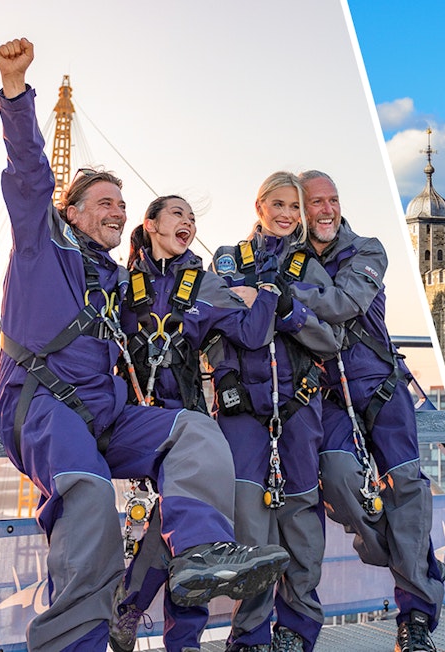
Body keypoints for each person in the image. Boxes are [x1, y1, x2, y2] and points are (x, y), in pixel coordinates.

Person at [0, 38, 287, 651]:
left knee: (194, 433)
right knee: (89, 501)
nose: (116, 211)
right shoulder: (42, 245)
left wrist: (253, 295)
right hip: (44, 406)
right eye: (105, 202)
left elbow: (220, 320)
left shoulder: (117, 280)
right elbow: (29, 174)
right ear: (70, 212)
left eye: (122, 206)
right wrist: (16, 92)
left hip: (106, 414)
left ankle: (202, 553)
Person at [109, 195, 284, 652]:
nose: (188, 221)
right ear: (150, 224)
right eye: (177, 214)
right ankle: (140, 614)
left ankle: (149, 620)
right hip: (134, 418)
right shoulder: (120, 282)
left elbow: (252, 334)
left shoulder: (205, 284)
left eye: (192, 217)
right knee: (186, 526)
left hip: (185, 419)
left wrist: (266, 291)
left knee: (183, 526)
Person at [290, 170, 445, 652]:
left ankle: (415, 618)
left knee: (407, 491)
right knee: (338, 482)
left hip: (380, 386)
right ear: (299, 210)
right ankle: (412, 558)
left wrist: (283, 295)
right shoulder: (286, 257)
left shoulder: (368, 250)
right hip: (329, 396)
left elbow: (345, 303)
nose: (327, 210)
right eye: (316, 202)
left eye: (333, 200)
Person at [210, 171, 340, 652]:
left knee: (301, 517)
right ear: (259, 205)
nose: (287, 215)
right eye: (279, 204)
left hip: (298, 404)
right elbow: (210, 326)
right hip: (242, 407)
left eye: (294, 207)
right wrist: (224, 376)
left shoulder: (310, 268)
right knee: (249, 518)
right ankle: (250, 632)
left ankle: (297, 628)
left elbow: (331, 339)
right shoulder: (227, 260)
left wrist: (287, 311)